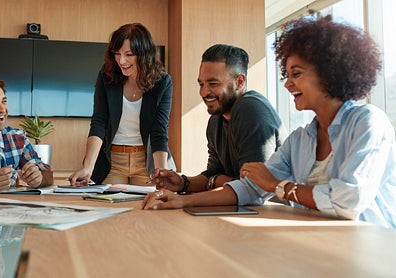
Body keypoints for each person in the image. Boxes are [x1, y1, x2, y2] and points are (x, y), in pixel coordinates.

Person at [143, 15, 396, 228]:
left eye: (296, 74)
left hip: (371, 249)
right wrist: (181, 199)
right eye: (288, 74)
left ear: (330, 72)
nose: (287, 83)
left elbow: (348, 201)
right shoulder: (300, 140)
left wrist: (278, 186)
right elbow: (251, 188)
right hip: (319, 247)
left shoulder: (369, 123)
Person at [149, 44, 285, 194]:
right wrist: (182, 183)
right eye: (201, 84)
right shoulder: (216, 120)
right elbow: (212, 174)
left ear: (239, 82)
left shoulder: (251, 108)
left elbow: (253, 188)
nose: (204, 92)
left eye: (213, 84)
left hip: (270, 211)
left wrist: (214, 181)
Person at [69, 23, 175, 186]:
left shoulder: (162, 82)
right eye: (117, 54)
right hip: (112, 162)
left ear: (144, 54)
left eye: (129, 54)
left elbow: (159, 131)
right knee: (107, 206)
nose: (121, 61)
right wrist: (88, 167)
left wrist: (161, 172)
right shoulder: (107, 75)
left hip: (146, 161)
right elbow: (99, 121)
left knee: (152, 208)